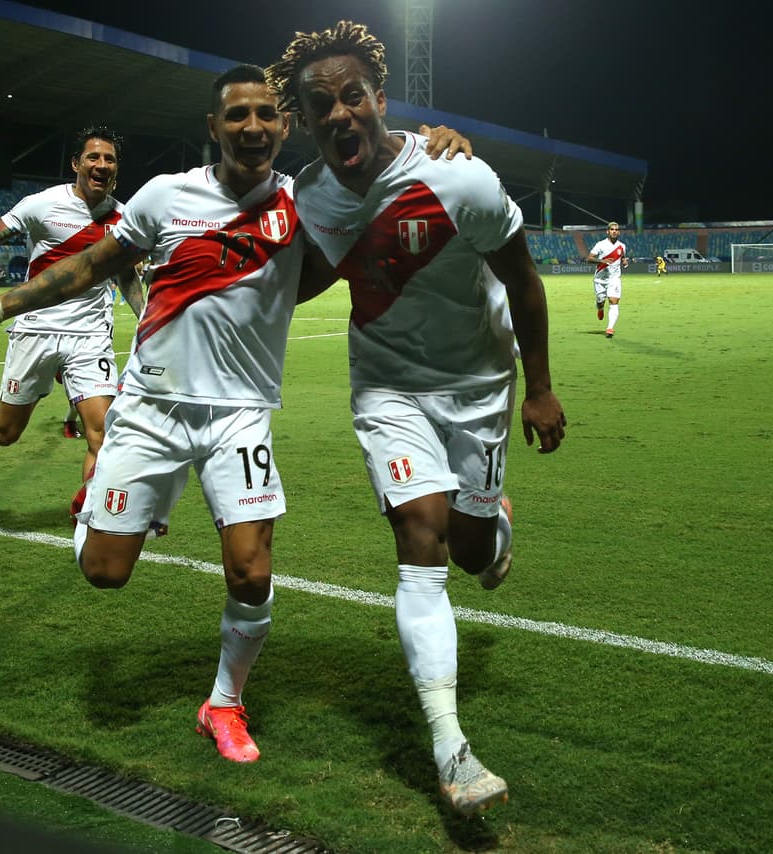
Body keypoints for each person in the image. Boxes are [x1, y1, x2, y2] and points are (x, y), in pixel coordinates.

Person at [0, 65, 470, 766]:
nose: (253, 127)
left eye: (266, 116)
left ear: (285, 126)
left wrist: (434, 140)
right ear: (214, 128)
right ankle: (99, 510)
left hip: (240, 416)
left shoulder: (306, 200)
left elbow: (376, 158)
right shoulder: (165, 196)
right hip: (152, 410)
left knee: (251, 573)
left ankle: (223, 703)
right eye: (237, 116)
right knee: (104, 572)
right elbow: (94, 264)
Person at [267, 20, 566, 816]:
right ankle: (451, 748)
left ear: (378, 100)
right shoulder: (312, 198)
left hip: (478, 385)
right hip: (387, 387)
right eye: (320, 105)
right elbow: (307, 281)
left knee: (469, 553)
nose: (339, 115)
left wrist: (538, 387)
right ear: (304, 120)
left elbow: (525, 280)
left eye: (352, 97)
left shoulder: (458, 177)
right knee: (419, 539)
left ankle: (493, 520)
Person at [0, 125, 144, 485]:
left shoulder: (124, 218)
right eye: (93, 157)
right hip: (35, 329)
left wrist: (148, 317)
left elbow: (125, 275)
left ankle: (92, 522)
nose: (102, 164)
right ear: (77, 163)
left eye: (110, 159)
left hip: (90, 334)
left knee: (102, 435)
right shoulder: (42, 204)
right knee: (8, 432)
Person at [585, 222, 628, 338]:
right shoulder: (600, 245)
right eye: (612, 229)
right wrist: (602, 261)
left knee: (614, 301)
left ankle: (610, 328)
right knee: (600, 301)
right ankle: (600, 307)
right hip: (600, 279)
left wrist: (624, 261)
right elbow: (589, 258)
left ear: (618, 232)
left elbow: (622, 256)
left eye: (616, 229)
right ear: (607, 231)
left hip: (614, 279)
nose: (614, 231)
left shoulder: (622, 246)